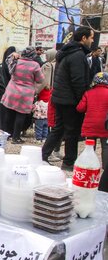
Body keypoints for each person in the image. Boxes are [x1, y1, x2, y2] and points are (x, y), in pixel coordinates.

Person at [41, 26, 95, 170]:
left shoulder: (68, 52)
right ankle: (69, 162)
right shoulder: (77, 55)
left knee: (59, 129)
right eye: (91, 37)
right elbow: (78, 81)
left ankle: (43, 155)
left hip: (60, 98)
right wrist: (82, 102)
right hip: (70, 100)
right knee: (72, 132)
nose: (92, 40)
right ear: (83, 38)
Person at [0, 47, 45, 143]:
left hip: (12, 90)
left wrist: (13, 55)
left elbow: (7, 60)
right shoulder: (35, 65)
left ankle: (7, 135)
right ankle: (16, 137)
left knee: (9, 113)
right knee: (21, 115)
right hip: (25, 93)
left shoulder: (16, 61)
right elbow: (40, 80)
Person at [76, 72, 108, 192]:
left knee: (90, 147)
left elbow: (80, 108)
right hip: (105, 125)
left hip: (90, 125)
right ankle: (105, 169)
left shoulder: (88, 93)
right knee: (105, 146)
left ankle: (89, 165)